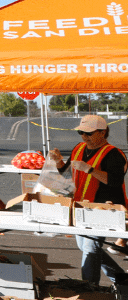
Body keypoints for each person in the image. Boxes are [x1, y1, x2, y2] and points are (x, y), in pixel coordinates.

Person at [48, 115, 127, 284]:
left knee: (90, 249)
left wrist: (89, 169)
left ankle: (89, 289)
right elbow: (67, 172)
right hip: (81, 207)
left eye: (89, 133)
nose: (84, 136)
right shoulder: (79, 148)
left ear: (103, 133)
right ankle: (121, 279)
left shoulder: (114, 154)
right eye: (81, 132)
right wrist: (59, 162)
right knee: (86, 247)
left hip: (104, 208)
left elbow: (115, 181)